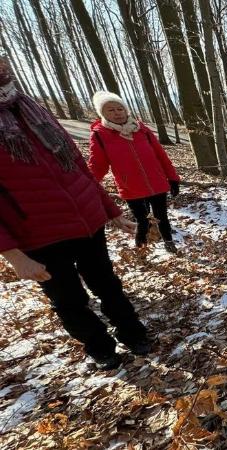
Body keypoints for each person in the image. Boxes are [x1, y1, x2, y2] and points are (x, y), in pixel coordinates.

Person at [0, 57, 150, 370]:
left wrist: (110, 210)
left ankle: (133, 333)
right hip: (37, 234)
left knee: (107, 283)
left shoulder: (34, 109)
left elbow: (78, 166)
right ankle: (100, 347)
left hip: (87, 220)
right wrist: (13, 255)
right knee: (69, 300)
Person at [88, 91, 181, 254]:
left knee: (162, 217)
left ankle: (169, 242)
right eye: (110, 110)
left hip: (157, 183)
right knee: (143, 221)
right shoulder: (100, 135)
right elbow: (97, 166)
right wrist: (87, 186)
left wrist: (173, 177)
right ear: (102, 113)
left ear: (126, 110)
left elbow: (161, 155)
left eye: (119, 108)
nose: (117, 113)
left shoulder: (142, 130)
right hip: (131, 188)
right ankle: (141, 249)